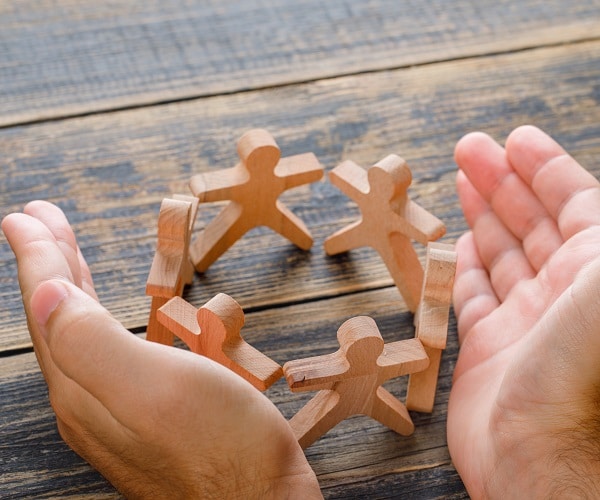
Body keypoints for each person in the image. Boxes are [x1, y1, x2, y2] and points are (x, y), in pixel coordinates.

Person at [2, 125, 599, 498]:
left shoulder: (243, 339)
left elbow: (292, 371)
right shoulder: (218, 330)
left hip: (368, 288)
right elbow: (285, 368)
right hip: (346, 294)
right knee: (366, 283)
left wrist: (254, 488)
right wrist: (546, 458)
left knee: (396, 284)